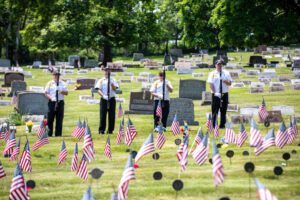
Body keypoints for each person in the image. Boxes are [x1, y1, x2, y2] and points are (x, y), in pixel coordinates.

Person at [207, 59, 232, 128]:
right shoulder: (212, 73)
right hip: (216, 94)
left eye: (220, 64)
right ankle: (214, 125)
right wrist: (215, 93)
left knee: (223, 110)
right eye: (218, 64)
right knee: (215, 110)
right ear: (215, 65)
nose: (219, 66)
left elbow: (230, 83)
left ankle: (222, 125)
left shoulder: (226, 73)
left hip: (224, 94)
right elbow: (211, 84)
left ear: (222, 65)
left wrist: (224, 80)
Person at [95, 67, 119, 134]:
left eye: (107, 71)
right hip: (104, 99)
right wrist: (103, 96)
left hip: (111, 98)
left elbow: (115, 89)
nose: (106, 73)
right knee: (103, 115)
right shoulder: (101, 80)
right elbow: (98, 89)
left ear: (110, 72)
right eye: (105, 71)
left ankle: (110, 130)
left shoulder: (113, 80)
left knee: (112, 115)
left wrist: (111, 83)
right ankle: (101, 130)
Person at [45, 70, 68, 136]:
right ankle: (49, 133)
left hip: (60, 102)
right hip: (52, 102)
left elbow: (66, 93)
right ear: (53, 76)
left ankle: (58, 134)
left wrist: (61, 91)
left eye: (57, 75)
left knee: (59, 119)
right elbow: (46, 93)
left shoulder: (62, 83)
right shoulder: (49, 83)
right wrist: (51, 98)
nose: (56, 76)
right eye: (55, 75)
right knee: (50, 118)